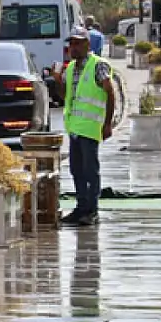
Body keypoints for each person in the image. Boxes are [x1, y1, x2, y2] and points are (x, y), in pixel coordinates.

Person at [53, 25, 115, 227]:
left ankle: (92, 210)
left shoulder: (98, 65)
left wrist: (107, 124)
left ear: (88, 44)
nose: (74, 47)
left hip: (90, 128)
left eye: (78, 43)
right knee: (76, 170)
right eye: (71, 44)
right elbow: (66, 97)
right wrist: (57, 81)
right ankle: (81, 208)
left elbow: (110, 92)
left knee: (90, 170)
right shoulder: (71, 68)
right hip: (74, 128)